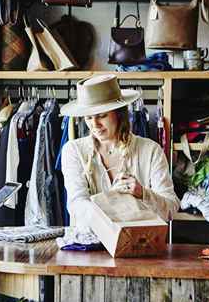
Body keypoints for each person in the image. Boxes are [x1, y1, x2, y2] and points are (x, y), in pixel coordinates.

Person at [60, 74, 180, 226]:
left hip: (139, 244)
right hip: (89, 244)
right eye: (88, 118)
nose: (94, 124)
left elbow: (171, 209)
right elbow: (77, 205)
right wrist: (110, 198)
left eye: (101, 116)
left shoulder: (150, 150)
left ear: (119, 114)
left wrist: (143, 193)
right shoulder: (73, 150)